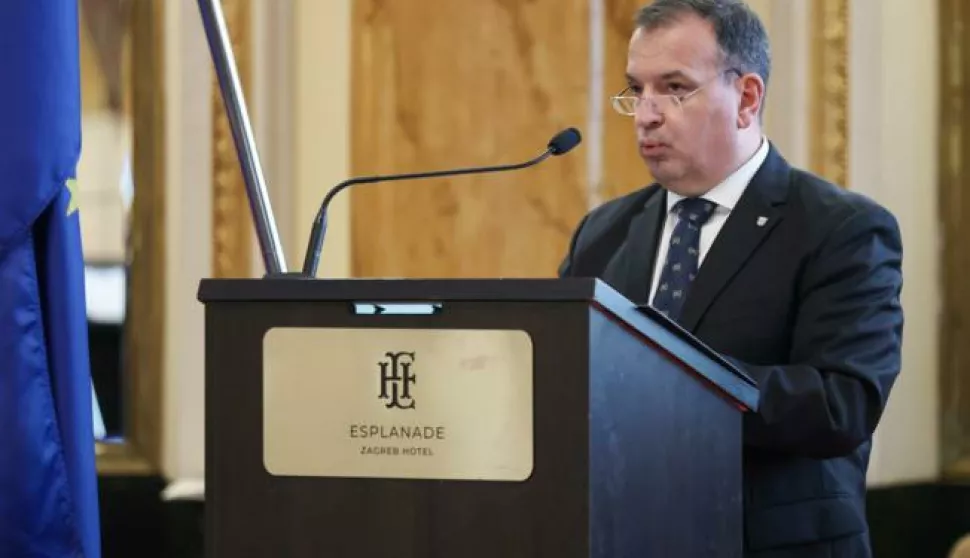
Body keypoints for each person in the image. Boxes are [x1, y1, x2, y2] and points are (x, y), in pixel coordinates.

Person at [557, 1, 904, 556]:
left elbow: (842, 404)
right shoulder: (603, 233)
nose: (646, 115)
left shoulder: (840, 228)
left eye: (674, 88)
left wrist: (667, 382)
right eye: (636, 90)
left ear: (746, 98)